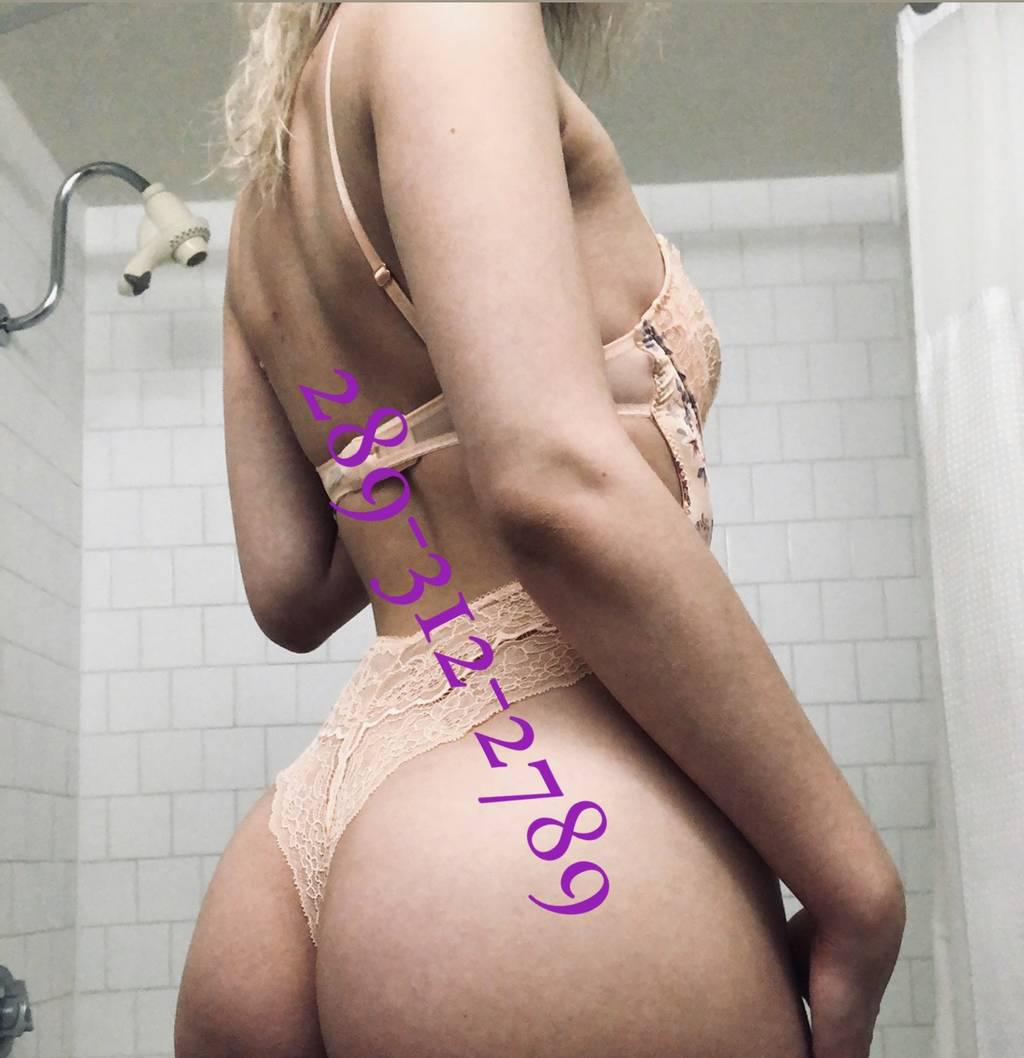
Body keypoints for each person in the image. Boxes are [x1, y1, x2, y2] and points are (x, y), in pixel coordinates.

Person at [175, 4, 906, 1056]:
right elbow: (551, 485)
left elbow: (289, 583)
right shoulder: (450, 17)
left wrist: (417, 459)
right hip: (533, 820)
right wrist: (856, 888)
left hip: (305, 855)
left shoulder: (269, 182)